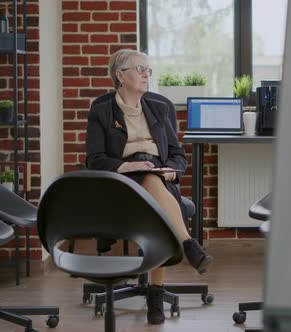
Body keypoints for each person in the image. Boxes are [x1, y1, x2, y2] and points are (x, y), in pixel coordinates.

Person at [85, 49, 212, 325]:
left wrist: (171, 172)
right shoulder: (101, 110)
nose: (146, 75)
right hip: (121, 180)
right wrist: (124, 166)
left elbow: (178, 155)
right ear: (120, 76)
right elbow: (94, 160)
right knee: (149, 182)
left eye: (148, 70)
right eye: (139, 69)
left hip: (158, 176)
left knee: (153, 185)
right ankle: (185, 247)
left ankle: (157, 289)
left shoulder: (158, 108)